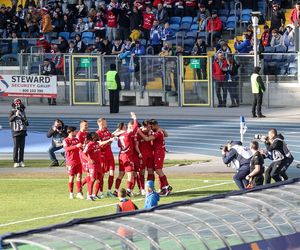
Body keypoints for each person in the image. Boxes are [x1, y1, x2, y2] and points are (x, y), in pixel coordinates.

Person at [137, 119, 172, 196]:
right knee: (157, 170)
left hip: (158, 153)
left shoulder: (158, 133)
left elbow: (147, 139)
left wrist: (139, 132)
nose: (150, 128)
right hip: (156, 153)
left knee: (158, 170)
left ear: (154, 125)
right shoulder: (157, 131)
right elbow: (166, 134)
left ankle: (167, 186)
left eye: (151, 126)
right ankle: (163, 188)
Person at [113, 112, 139, 197]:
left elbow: (112, 135)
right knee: (130, 174)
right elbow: (135, 128)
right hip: (128, 156)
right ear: (124, 127)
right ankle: (128, 190)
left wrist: (117, 131)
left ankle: (116, 190)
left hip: (121, 155)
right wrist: (134, 118)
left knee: (121, 173)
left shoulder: (119, 135)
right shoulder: (127, 134)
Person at [96, 118, 116, 197]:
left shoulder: (107, 131)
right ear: (99, 124)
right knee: (102, 174)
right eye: (104, 123)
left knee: (112, 173)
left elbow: (111, 137)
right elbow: (100, 144)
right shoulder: (97, 133)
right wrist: (109, 141)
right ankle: (101, 192)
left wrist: (112, 139)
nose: (105, 124)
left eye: (106, 123)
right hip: (102, 156)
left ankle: (109, 191)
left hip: (109, 155)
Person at [63, 126, 84, 199]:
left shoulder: (76, 140)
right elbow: (66, 149)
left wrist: (82, 146)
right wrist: (76, 146)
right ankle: (71, 193)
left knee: (79, 177)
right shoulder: (66, 140)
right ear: (71, 132)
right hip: (70, 162)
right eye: (75, 131)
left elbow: (80, 148)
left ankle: (79, 193)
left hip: (78, 161)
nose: (76, 132)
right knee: (71, 177)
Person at [9, 99, 29, 168]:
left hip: (23, 131)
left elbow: (27, 123)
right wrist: (15, 115)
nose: (18, 105)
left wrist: (22, 117)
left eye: (19, 104)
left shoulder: (23, 111)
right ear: (14, 104)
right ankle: (15, 162)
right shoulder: (12, 111)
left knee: (22, 148)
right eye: (16, 104)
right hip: (15, 131)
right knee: (16, 148)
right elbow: (10, 119)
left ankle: (21, 161)